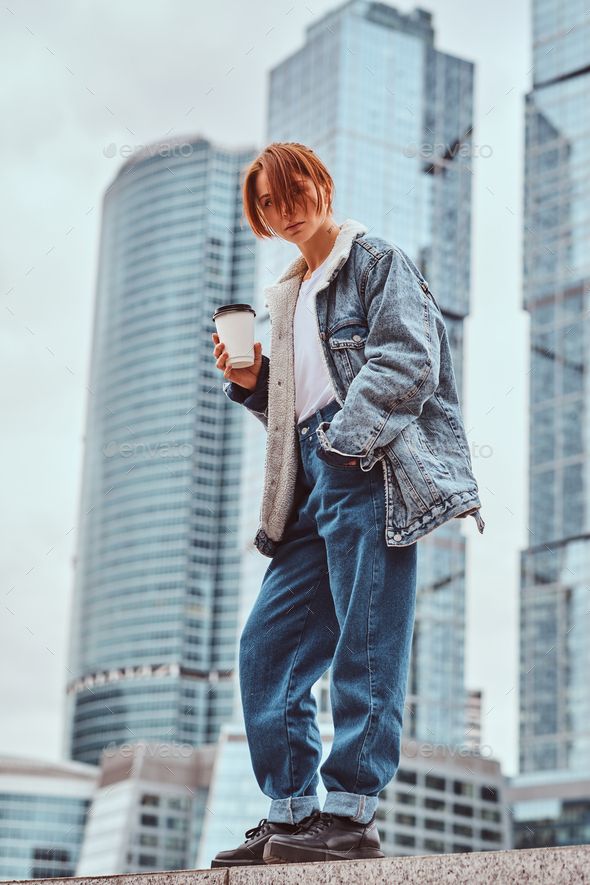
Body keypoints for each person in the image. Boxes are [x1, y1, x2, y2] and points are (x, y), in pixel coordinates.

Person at [210, 142, 484, 868]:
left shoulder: (373, 262)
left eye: (291, 189)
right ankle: (293, 815)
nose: (282, 209)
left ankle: (352, 817)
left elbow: (407, 358)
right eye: (266, 202)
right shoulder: (289, 293)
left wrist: (344, 440)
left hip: (367, 467)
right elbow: (294, 406)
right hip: (306, 482)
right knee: (266, 649)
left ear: (321, 183)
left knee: (368, 646)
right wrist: (251, 379)